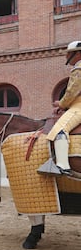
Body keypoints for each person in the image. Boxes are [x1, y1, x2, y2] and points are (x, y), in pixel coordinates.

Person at [38, 41, 81, 176]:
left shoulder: (79, 68)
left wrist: (61, 104)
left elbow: (72, 92)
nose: (66, 56)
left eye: (69, 53)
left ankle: (62, 165)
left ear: (77, 53)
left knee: (60, 129)